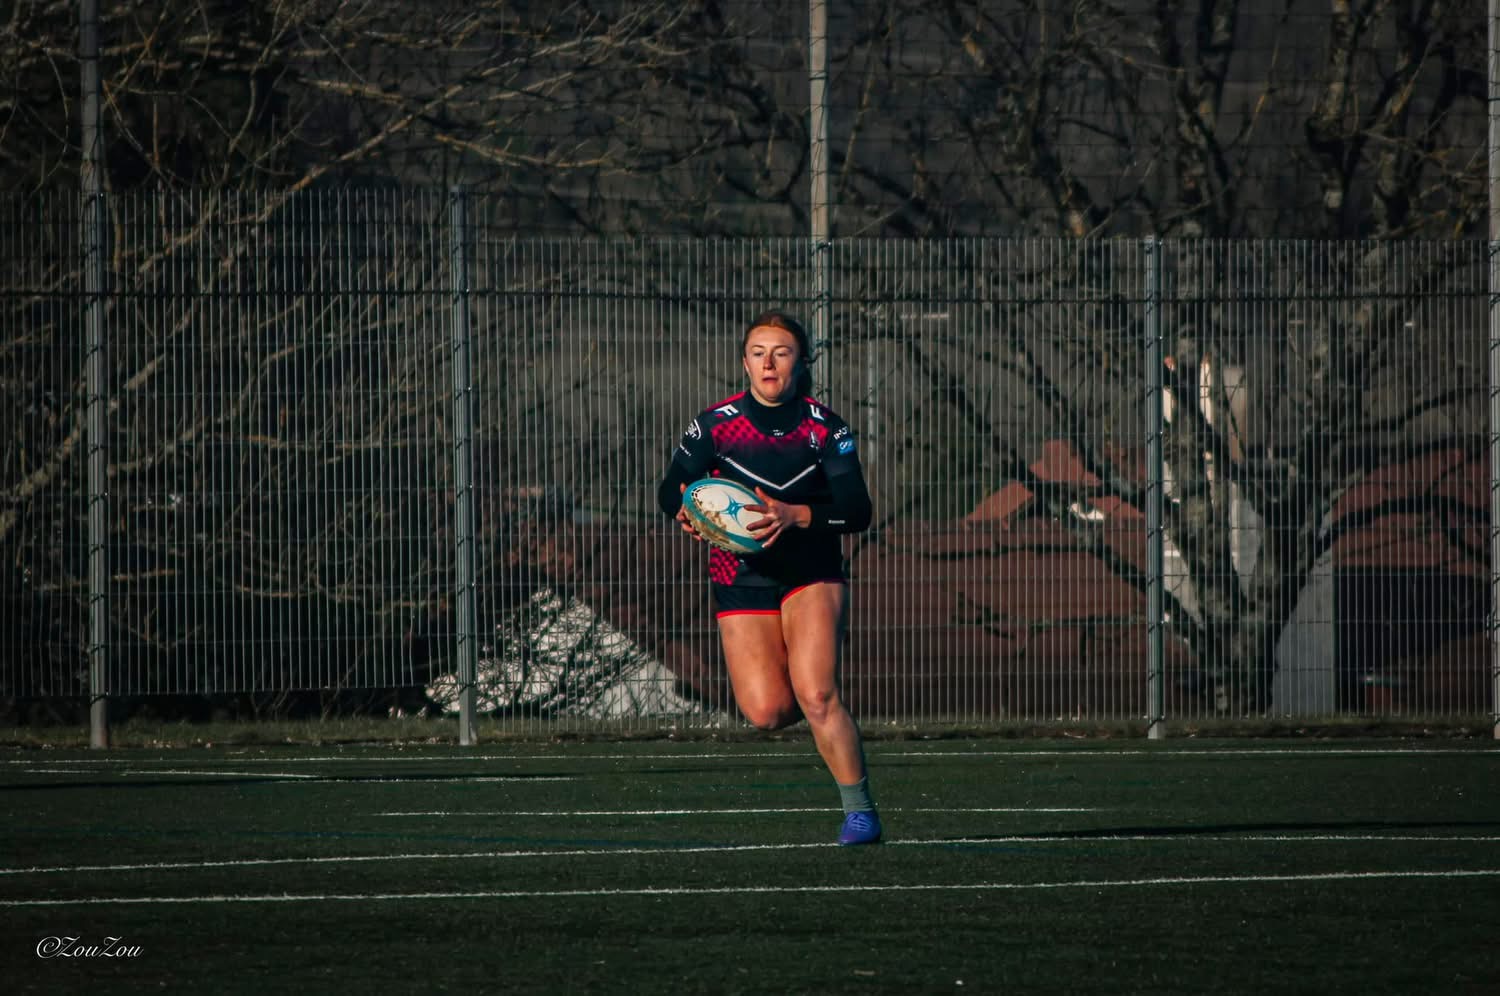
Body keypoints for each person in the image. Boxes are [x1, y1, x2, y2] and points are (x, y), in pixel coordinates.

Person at [657, 310, 880, 845]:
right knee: (766, 711)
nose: (769, 362)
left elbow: (856, 510)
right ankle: (810, 721)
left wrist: (795, 514)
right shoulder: (714, 424)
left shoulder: (825, 428)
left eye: (781, 352)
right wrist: (686, 512)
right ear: (744, 362)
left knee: (817, 693)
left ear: (800, 363)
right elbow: (671, 490)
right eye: (758, 352)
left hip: (811, 571)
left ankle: (861, 813)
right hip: (740, 571)